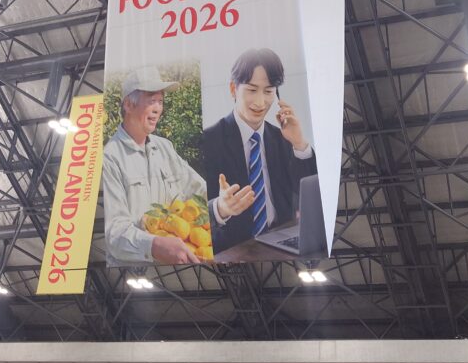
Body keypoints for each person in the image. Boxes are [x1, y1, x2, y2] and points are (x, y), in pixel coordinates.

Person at [203, 48, 316, 254]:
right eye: (252, 90)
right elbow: (191, 213)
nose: (260, 102)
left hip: (282, 242)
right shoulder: (208, 140)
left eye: (269, 91)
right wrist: (220, 208)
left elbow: (309, 198)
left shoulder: (283, 137)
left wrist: (299, 144)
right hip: (233, 250)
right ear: (233, 89)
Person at [103, 66, 208, 265]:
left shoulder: (164, 147)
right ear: (128, 105)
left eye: (160, 101)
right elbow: (115, 234)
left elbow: (197, 189)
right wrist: (153, 245)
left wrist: (223, 202)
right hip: (133, 271)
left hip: (180, 262)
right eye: (152, 101)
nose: (158, 109)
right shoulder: (110, 157)